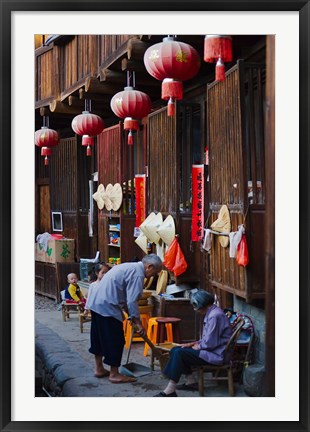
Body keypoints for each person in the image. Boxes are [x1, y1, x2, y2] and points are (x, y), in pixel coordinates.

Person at [86, 253, 163, 383]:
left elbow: (127, 299)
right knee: (115, 340)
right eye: (155, 272)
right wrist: (138, 322)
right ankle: (114, 374)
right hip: (107, 306)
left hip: (96, 303)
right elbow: (132, 301)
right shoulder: (138, 274)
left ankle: (99, 368)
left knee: (98, 337)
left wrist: (131, 316)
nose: (153, 276)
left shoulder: (128, 266)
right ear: (149, 267)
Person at [154, 290, 232, 397]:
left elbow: (210, 342)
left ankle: (170, 389)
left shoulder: (215, 316)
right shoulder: (212, 312)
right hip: (212, 349)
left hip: (216, 354)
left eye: (196, 307)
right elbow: (209, 338)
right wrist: (192, 344)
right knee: (175, 350)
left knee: (180, 353)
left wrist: (198, 346)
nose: (196, 310)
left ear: (202, 305)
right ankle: (191, 381)